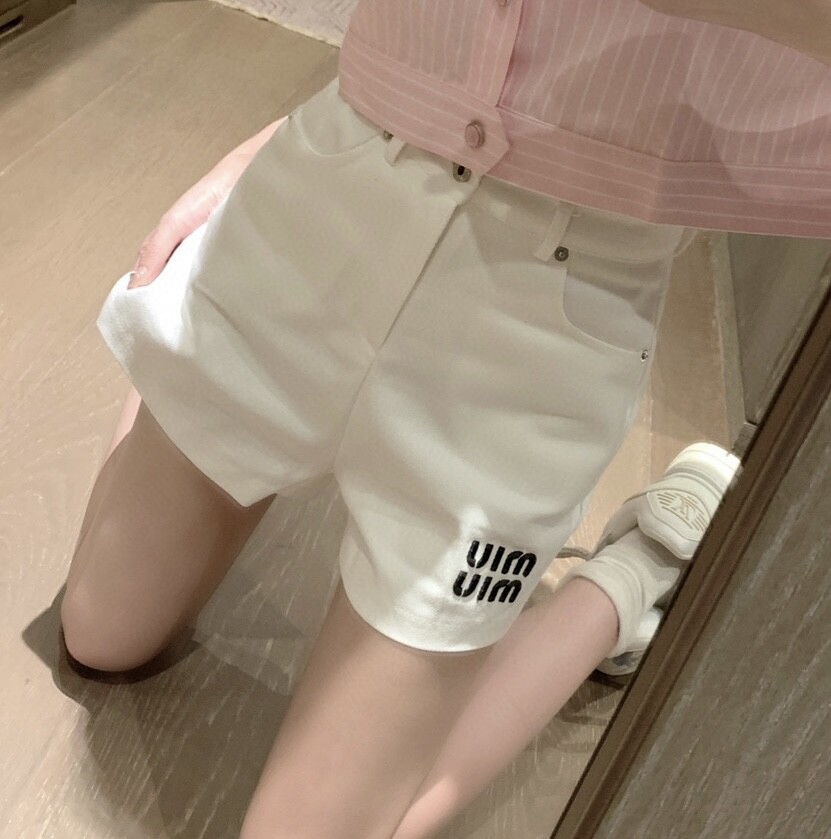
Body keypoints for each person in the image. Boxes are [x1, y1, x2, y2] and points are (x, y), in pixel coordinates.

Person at [58, 2, 831, 838]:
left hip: (555, 287)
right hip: (330, 177)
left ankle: (633, 572)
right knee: (100, 630)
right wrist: (284, 140)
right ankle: (191, 295)